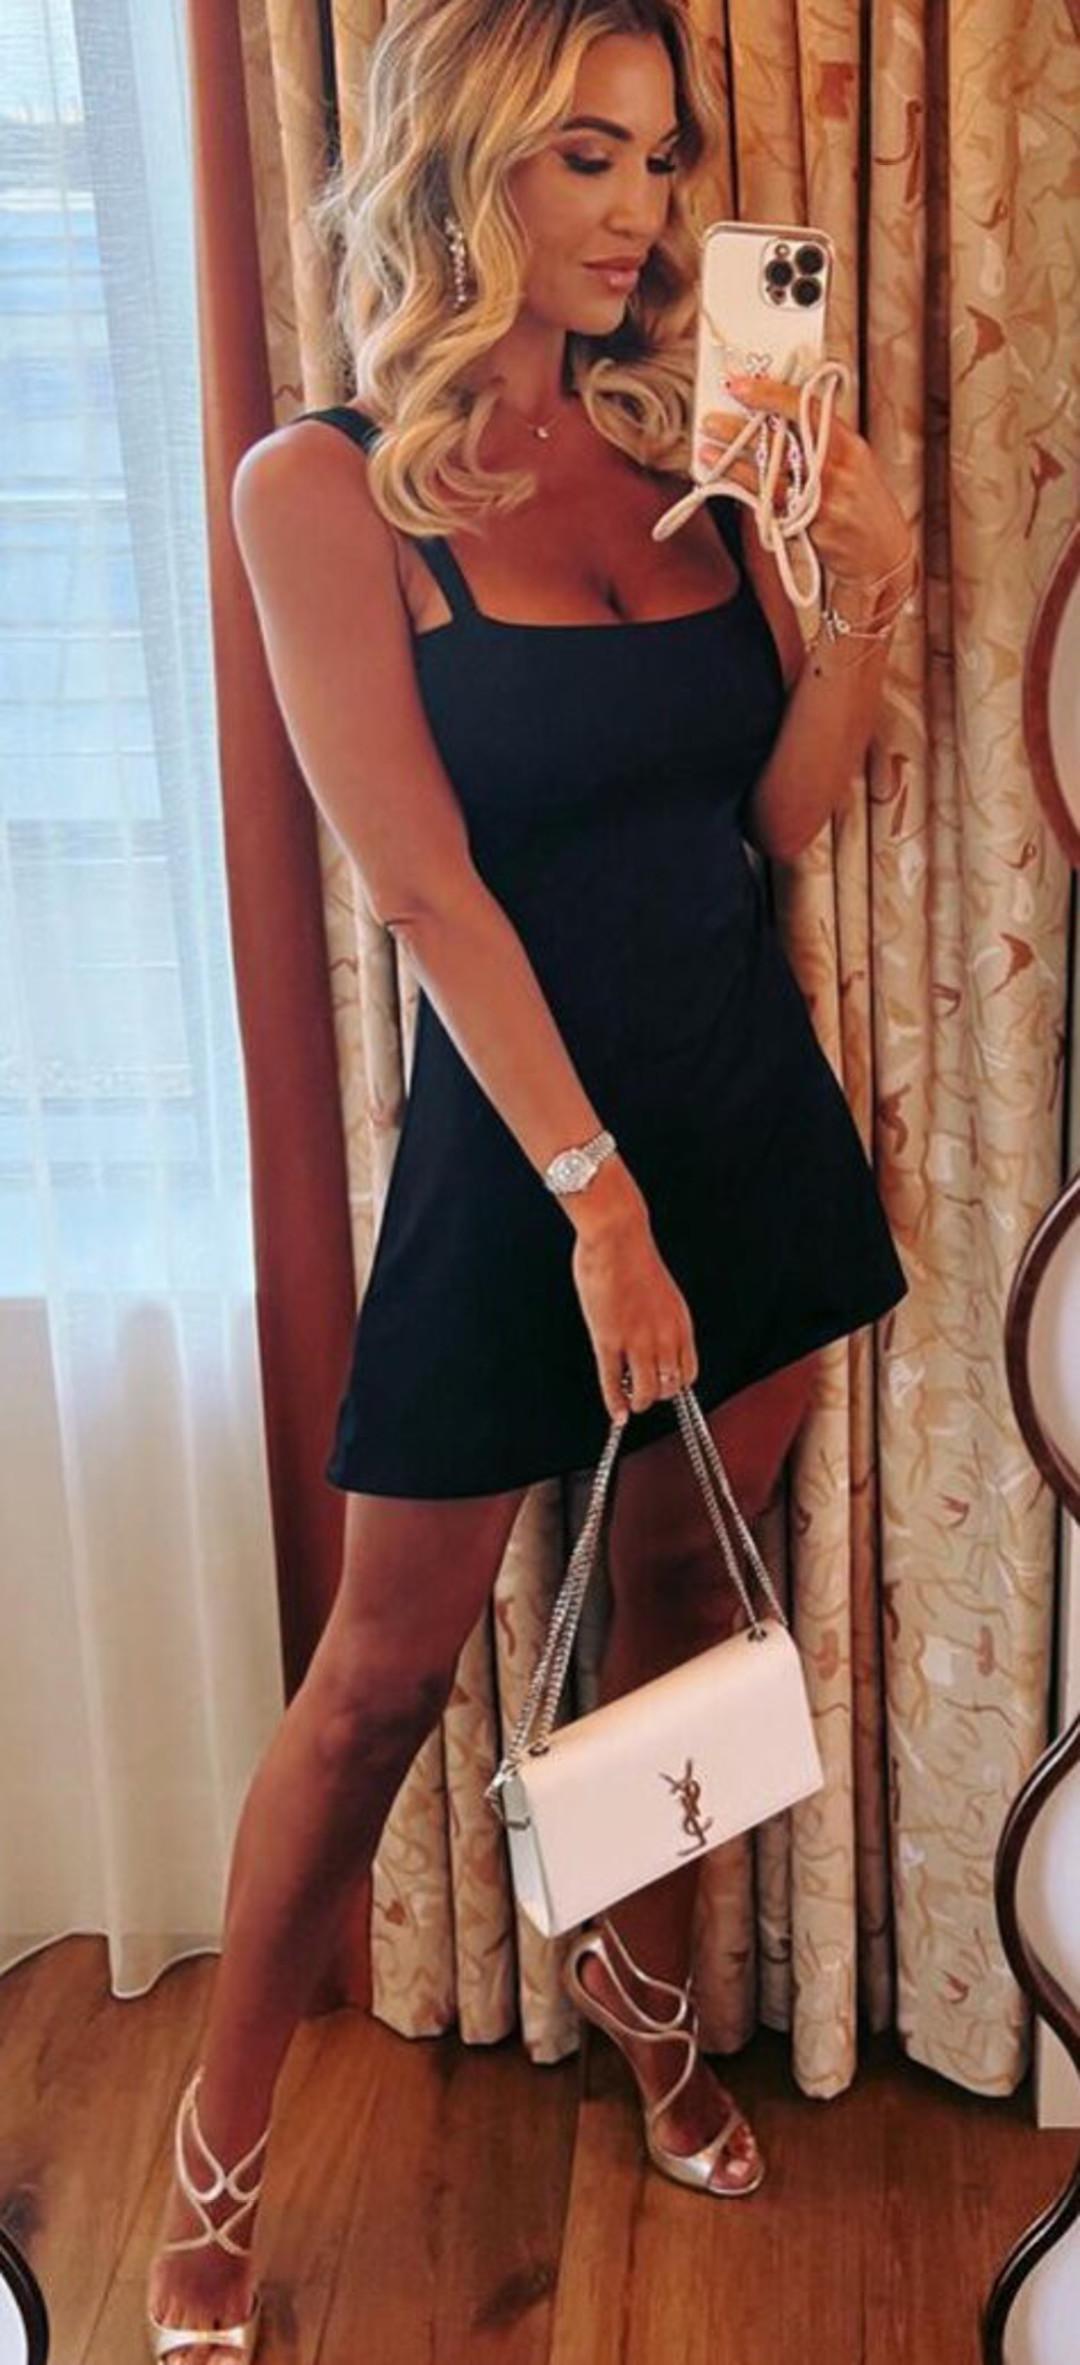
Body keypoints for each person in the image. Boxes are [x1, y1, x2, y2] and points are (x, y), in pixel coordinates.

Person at [147, 0, 913, 2353]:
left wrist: (866, 586)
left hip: (747, 1121)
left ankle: (647, 1995)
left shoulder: (686, 444)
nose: (644, 211)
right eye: (588, 154)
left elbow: (769, 822)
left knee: (681, 1598)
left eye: (663, 159)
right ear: (462, 162)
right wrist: (597, 1204)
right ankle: (212, 2161)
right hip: (531, 1161)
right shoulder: (323, 486)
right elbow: (422, 887)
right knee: (379, 1680)